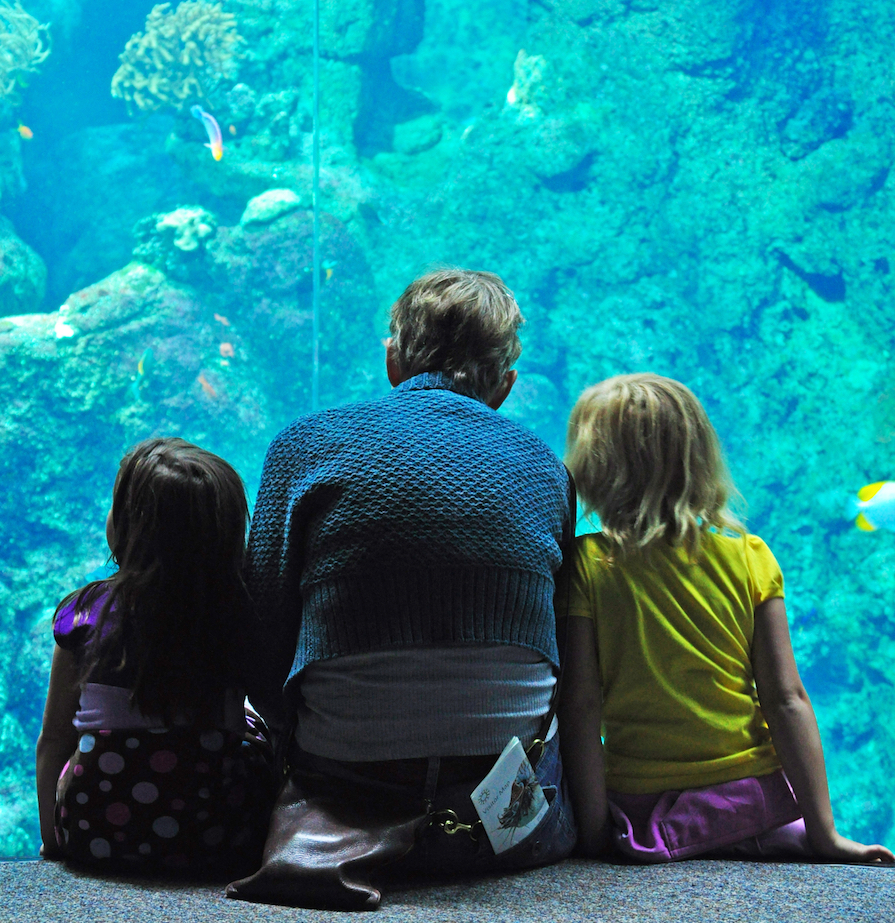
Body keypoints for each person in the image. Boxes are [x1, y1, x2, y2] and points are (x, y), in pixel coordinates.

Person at [237, 269, 577, 890]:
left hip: (342, 791)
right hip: (503, 820)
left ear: (393, 359)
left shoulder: (305, 447)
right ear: (505, 385)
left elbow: (259, 633)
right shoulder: (547, 472)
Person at [557, 373, 894, 864]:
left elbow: (581, 708)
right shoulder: (751, 557)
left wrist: (590, 837)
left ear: (590, 468)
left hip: (646, 811)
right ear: (699, 461)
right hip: (752, 802)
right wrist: (826, 835)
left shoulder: (584, 566)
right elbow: (786, 699)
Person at [36, 438, 274, 873]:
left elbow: (54, 738)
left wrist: (55, 843)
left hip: (95, 832)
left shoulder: (83, 614)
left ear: (128, 528)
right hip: (218, 834)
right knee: (256, 724)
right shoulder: (239, 617)